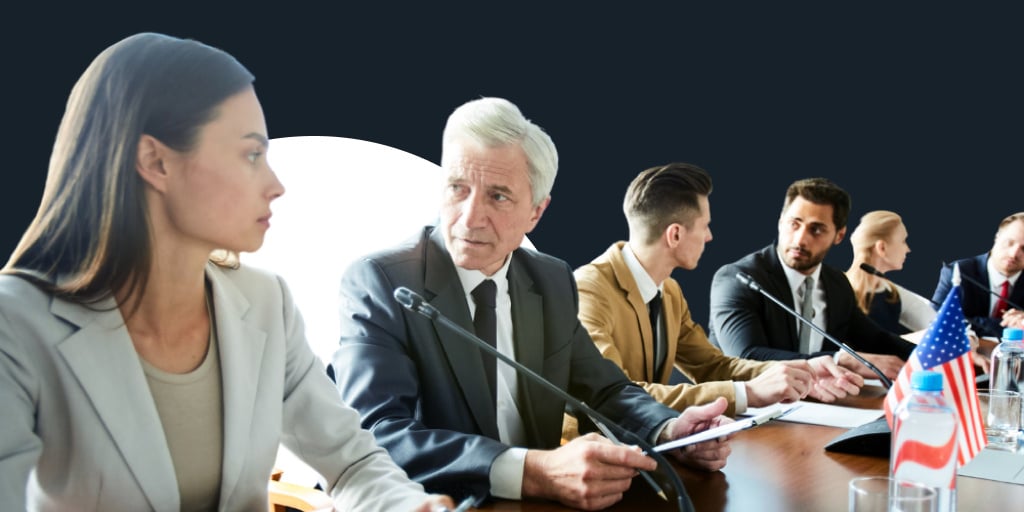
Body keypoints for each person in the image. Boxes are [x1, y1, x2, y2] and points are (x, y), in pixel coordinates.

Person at [0, 33, 450, 512]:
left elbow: (352, 463)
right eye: (252, 154)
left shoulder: (265, 303)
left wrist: (408, 506)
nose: (276, 185)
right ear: (156, 161)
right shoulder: (17, 323)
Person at [332, 97, 733, 511]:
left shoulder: (550, 280)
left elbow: (605, 389)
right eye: (457, 188)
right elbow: (375, 433)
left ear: (536, 213)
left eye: (499, 197)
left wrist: (670, 431)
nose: (470, 218)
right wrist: (533, 471)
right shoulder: (382, 281)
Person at [568, 163, 862, 434]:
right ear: (675, 235)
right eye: (704, 225)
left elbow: (712, 365)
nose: (709, 236)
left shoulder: (668, 291)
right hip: (591, 453)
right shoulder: (589, 291)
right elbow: (616, 394)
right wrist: (747, 393)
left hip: (649, 444)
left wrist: (799, 370)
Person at [708, 178, 916, 380]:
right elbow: (746, 356)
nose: (800, 240)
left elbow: (877, 340)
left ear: (839, 236)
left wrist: (931, 357)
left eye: (816, 229)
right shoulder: (738, 279)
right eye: (794, 224)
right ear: (781, 222)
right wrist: (841, 360)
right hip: (739, 408)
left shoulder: (836, 283)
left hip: (813, 404)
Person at [933, 212, 1024, 339]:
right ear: (997, 237)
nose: (1014, 254)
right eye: (1009, 243)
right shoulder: (957, 272)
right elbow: (936, 320)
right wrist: (1007, 327)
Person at [844, 210, 936, 334]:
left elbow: (933, 320)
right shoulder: (841, 293)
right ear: (881, 247)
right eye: (903, 241)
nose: (907, 249)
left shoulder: (890, 291)